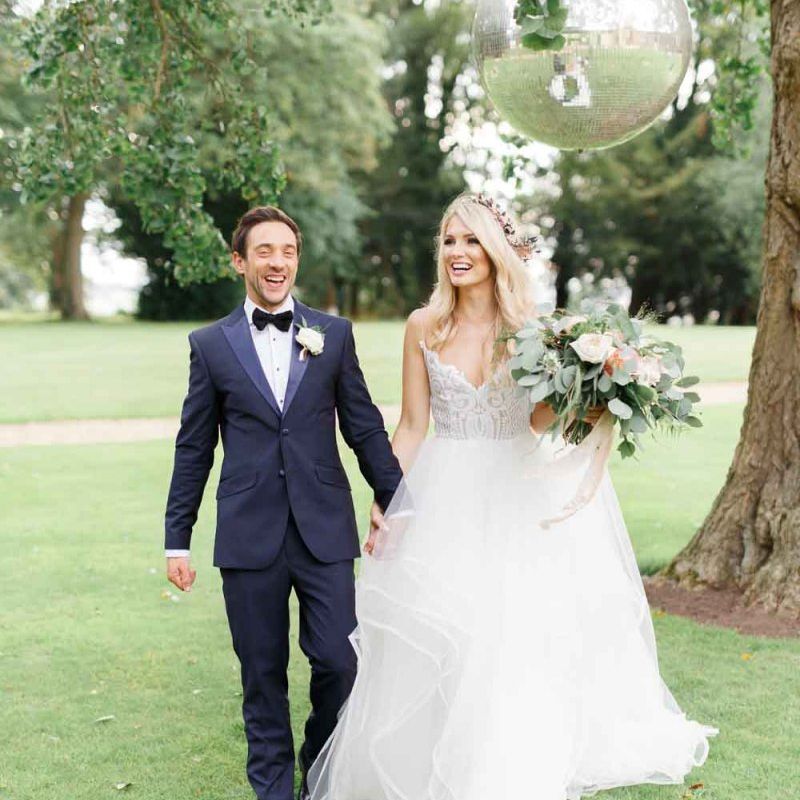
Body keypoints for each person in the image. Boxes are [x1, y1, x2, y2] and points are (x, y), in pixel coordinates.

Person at [308, 193, 716, 800]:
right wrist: (387, 494)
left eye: (471, 240)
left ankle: (502, 763)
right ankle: (430, 761)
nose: (458, 252)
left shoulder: (534, 331)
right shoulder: (424, 325)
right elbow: (414, 425)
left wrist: (594, 393)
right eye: (449, 240)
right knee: (442, 625)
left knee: (510, 632)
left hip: (517, 491)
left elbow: (537, 421)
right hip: (443, 492)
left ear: (496, 250)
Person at [163, 206, 403, 800]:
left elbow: (364, 426)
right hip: (249, 536)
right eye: (265, 251)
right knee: (261, 674)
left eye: (288, 251)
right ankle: (272, 790)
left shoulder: (333, 334)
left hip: (324, 530)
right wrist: (177, 539)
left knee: (340, 662)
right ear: (239, 261)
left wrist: (399, 500)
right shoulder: (210, 345)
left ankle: (319, 768)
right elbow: (194, 446)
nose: (278, 263)